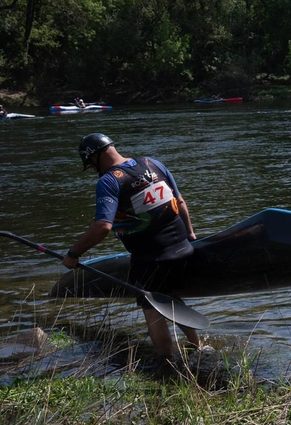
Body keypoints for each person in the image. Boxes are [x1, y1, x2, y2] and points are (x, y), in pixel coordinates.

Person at [63, 133, 201, 365]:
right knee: (168, 295)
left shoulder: (109, 181)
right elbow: (180, 201)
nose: (93, 169)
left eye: (91, 164)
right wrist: (191, 236)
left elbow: (102, 226)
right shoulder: (152, 163)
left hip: (151, 258)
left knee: (151, 306)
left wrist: (73, 254)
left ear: (94, 157)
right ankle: (198, 347)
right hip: (183, 248)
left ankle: (166, 362)